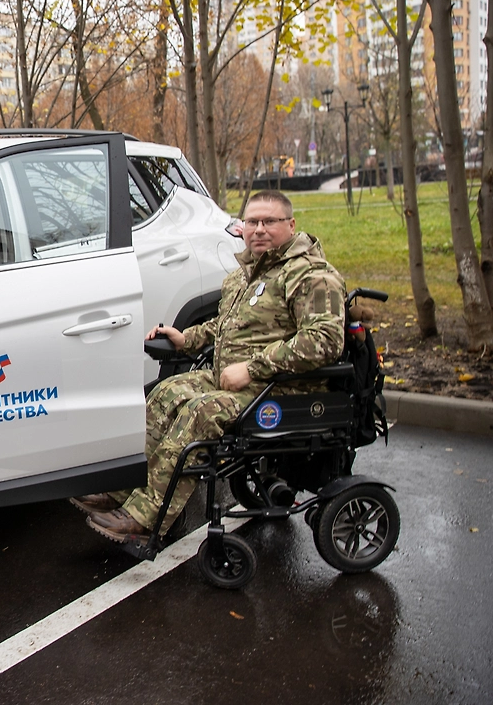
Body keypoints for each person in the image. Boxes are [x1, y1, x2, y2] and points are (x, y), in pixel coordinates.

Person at [76, 189, 347, 542]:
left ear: (291, 225)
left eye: (270, 221)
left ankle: (146, 518)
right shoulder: (246, 273)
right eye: (252, 222)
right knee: (166, 393)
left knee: (200, 413)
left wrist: (253, 368)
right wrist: (185, 339)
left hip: (283, 387)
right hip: (236, 378)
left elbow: (324, 341)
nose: (259, 229)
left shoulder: (310, 275)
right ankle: (124, 492)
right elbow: (226, 325)